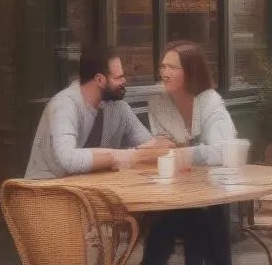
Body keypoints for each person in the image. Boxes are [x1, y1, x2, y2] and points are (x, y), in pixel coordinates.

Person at [138, 41, 247, 265]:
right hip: (179, 186)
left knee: (206, 212)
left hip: (216, 182)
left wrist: (184, 153)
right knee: (190, 217)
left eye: (173, 67)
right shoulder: (158, 101)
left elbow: (221, 150)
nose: (165, 72)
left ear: (190, 71)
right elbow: (164, 145)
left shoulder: (209, 101)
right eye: (163, 65)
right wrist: (177, 152)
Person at [24, 45, 168, 179]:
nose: (124, 81)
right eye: (118, 77)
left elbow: (149, 145)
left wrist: (160, 148)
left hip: (91, 191)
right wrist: (126, 156)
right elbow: (68, 159)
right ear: (100, 80)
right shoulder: (64, 104)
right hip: (46, 192)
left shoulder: (118, 107)